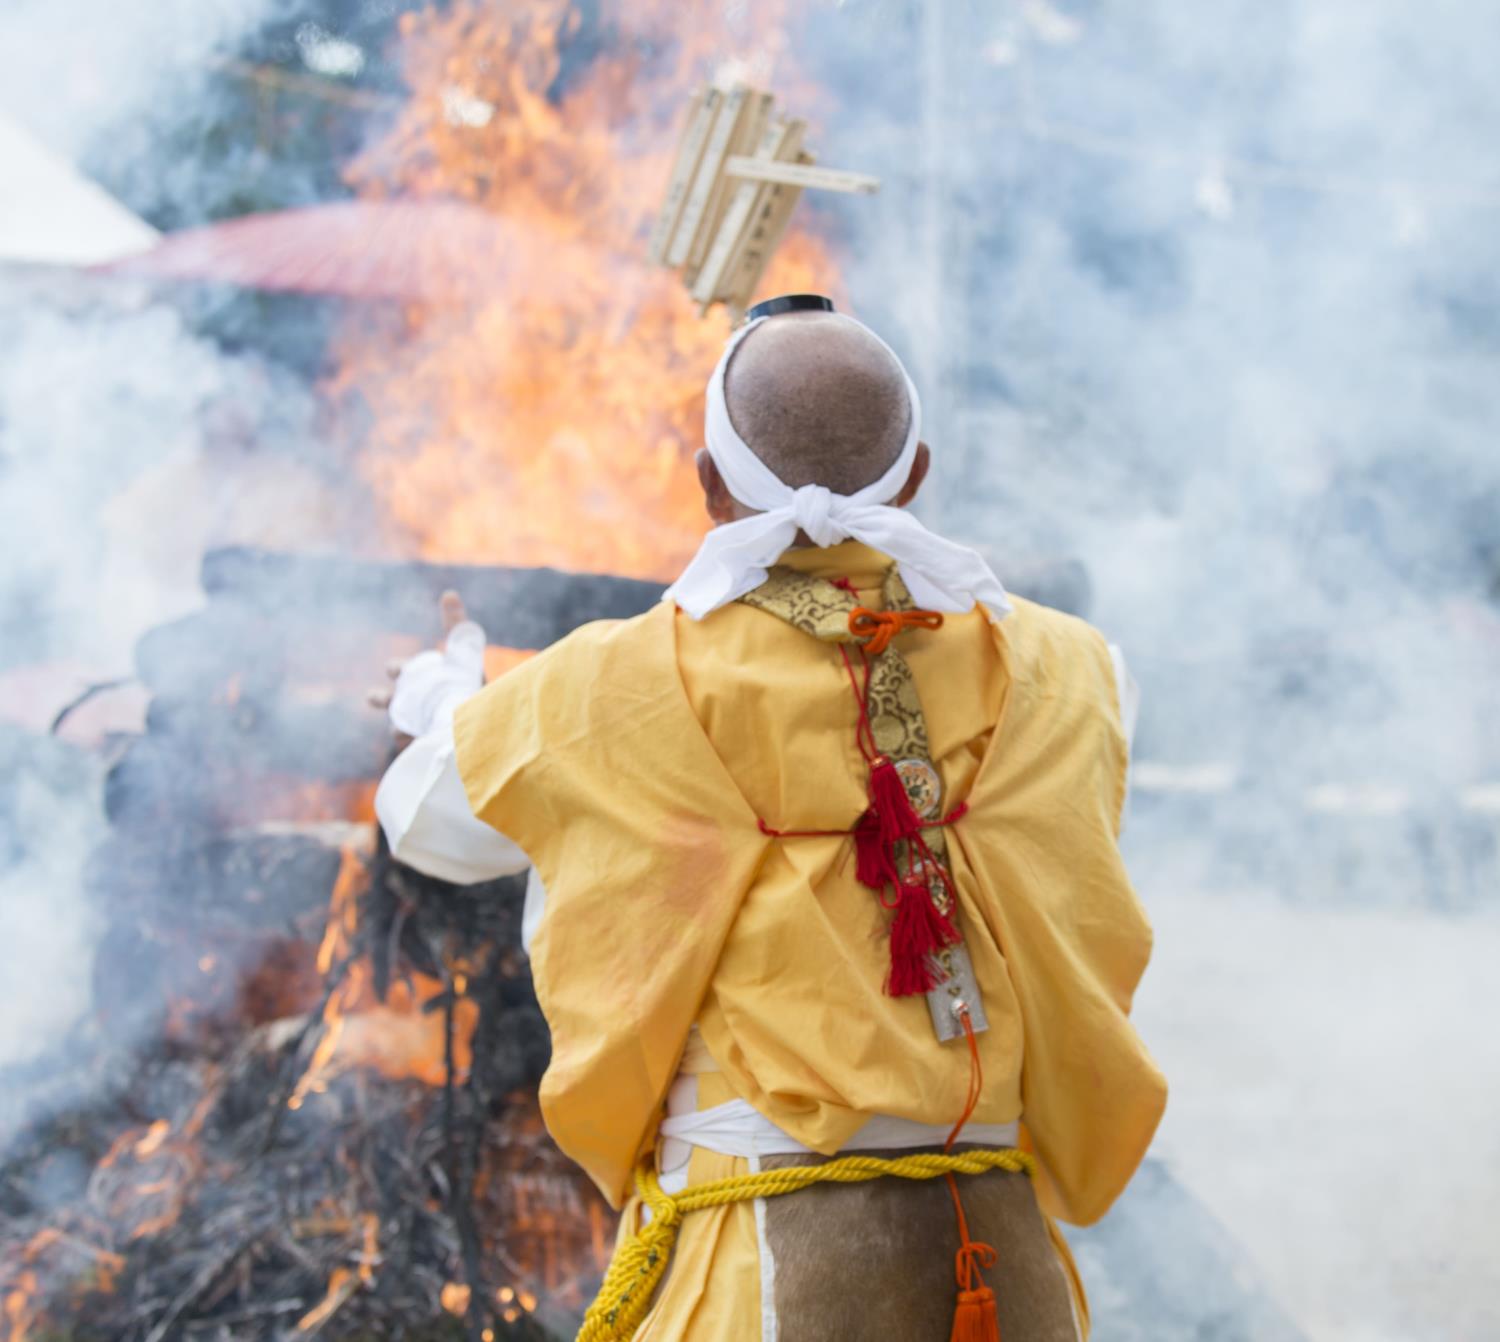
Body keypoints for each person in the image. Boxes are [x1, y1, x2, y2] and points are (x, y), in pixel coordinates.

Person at [373, 296, 1166, 1341]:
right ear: (917, 471)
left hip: (764, 1265)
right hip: (1000, 1263)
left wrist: (440, 689)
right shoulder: (1078, 669)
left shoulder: (622, 684)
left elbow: (430, 811)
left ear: (708, 487)